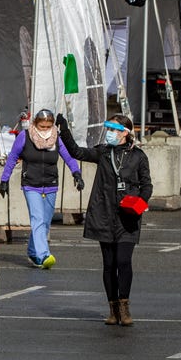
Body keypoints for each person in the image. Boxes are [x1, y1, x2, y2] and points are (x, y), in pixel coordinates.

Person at [58, 113, 152, 327]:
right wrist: (64, 129)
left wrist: (141, 202)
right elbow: (77, 152)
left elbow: (147, 184)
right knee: (109, 264)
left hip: (127, 216)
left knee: (123, 261)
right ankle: (112, 308)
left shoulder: (138, 156)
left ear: (125, 133)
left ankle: (125, 306)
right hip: (104, 213)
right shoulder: (103, 152)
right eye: (109, 129)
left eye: (115, 129)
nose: (110, 133)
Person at [0, 108, 83, 269]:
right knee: (37, 219)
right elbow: (12, 158)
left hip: (50, 184)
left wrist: (76, 173)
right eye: (42, 126)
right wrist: (4, 179)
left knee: (45, 222)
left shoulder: (56, 138)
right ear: (35, 124)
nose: (45, 130)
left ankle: (32, 251)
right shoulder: (25, 136)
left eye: (48, 126)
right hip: (31, 184)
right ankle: (44, 255)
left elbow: (68, 156)